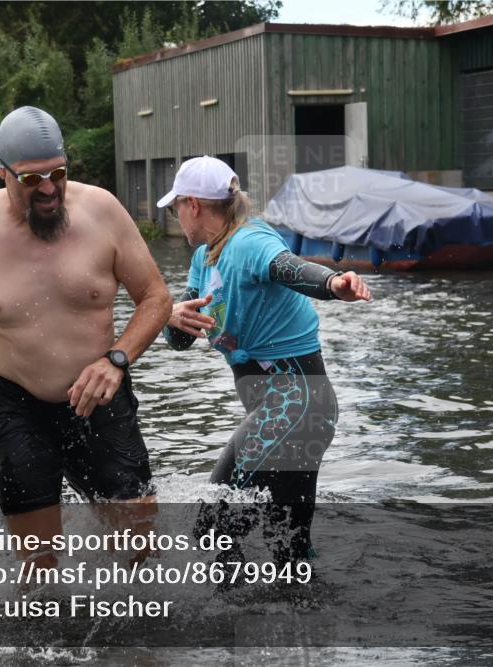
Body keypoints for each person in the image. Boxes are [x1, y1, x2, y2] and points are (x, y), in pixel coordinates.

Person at [0, 106, 172, 565]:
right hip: (12, 402)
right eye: (30, 180)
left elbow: (156, 297)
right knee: (39, 559)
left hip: (97, 397)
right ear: (2, 172)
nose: (48, 189)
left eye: (57, 174)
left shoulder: (102, 211)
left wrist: (117, 360)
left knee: (139, 545)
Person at [159, 156, 371, 563]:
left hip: (294, 405)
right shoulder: (204, 257)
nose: (176, 216)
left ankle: (221, 623)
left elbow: (289, 267)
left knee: (213, 532)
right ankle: (304, 619)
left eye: (175, 207)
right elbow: (179, 341)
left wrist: (333, 283)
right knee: (286, 545)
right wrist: (173, 315)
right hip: (296, 410)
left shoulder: (249, 241)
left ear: (194, 205)